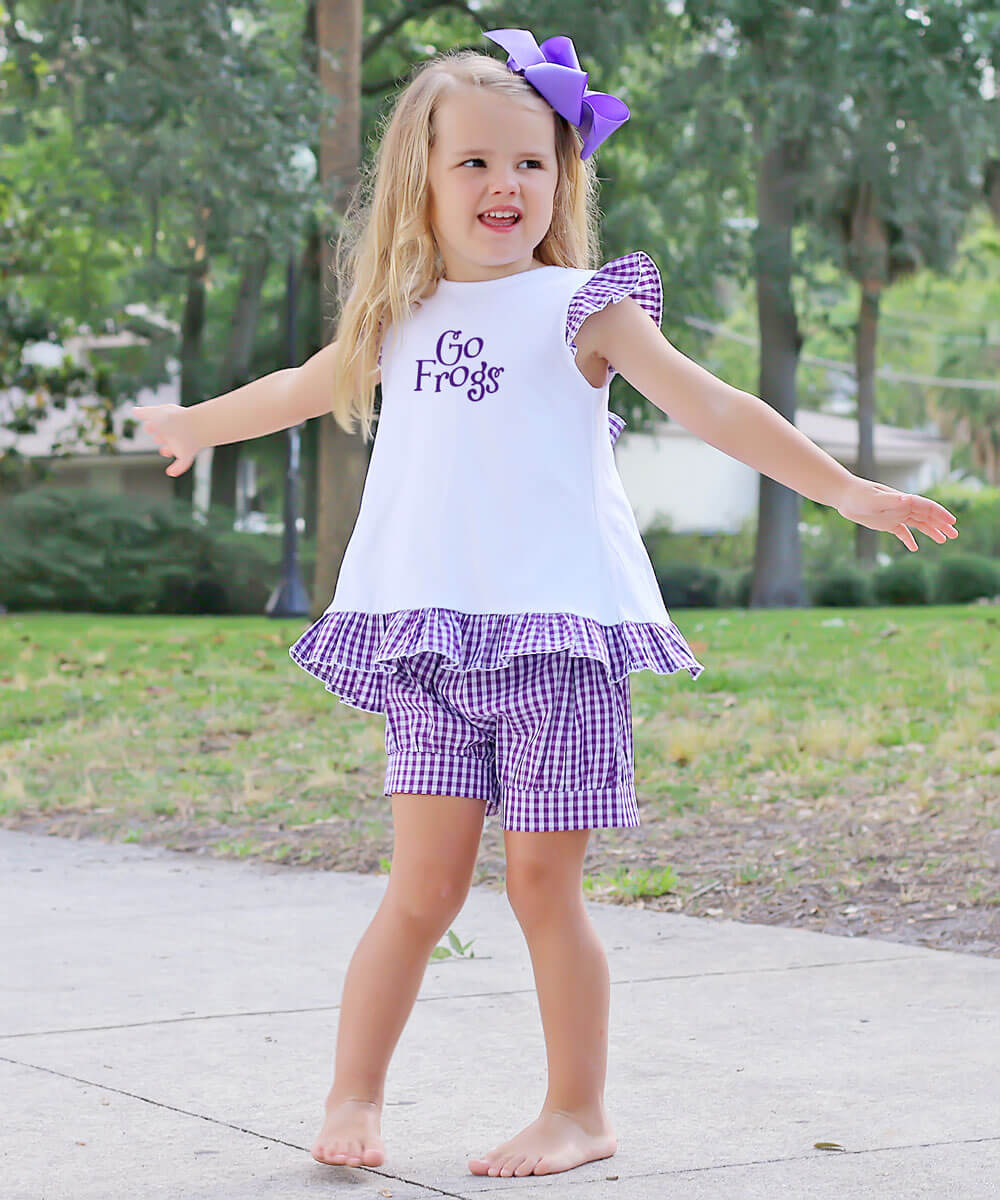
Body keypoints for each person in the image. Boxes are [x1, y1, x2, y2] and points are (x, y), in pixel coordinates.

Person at [131, 27, 959, 1180]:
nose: (505, 184)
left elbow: (716, 408)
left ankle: (578, 1110)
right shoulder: (397, 320)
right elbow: (293, 389)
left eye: (531, 163)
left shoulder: (584, 307)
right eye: (473, 163)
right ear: (420, 180)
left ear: (562, 178)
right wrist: (189, 424)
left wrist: (848, 492)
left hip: (556, 642)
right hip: (428, 639)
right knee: (417, 889)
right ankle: (353, 1094)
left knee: (538, 884)